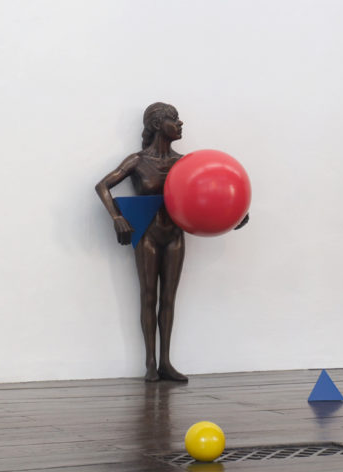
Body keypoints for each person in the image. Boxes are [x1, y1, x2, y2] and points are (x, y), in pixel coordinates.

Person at [95, 102, 249, 382]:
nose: (180, 124)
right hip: (147, 235)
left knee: (169, 298)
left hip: (174, 235)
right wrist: (117, 217)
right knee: (148, 296)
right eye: (174, 119)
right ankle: (150, 363)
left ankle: (165, 361)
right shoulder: (138, 161)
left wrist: (234, 213)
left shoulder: (186, 163)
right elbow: (103, 186)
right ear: (157, 125)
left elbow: (210, 190)